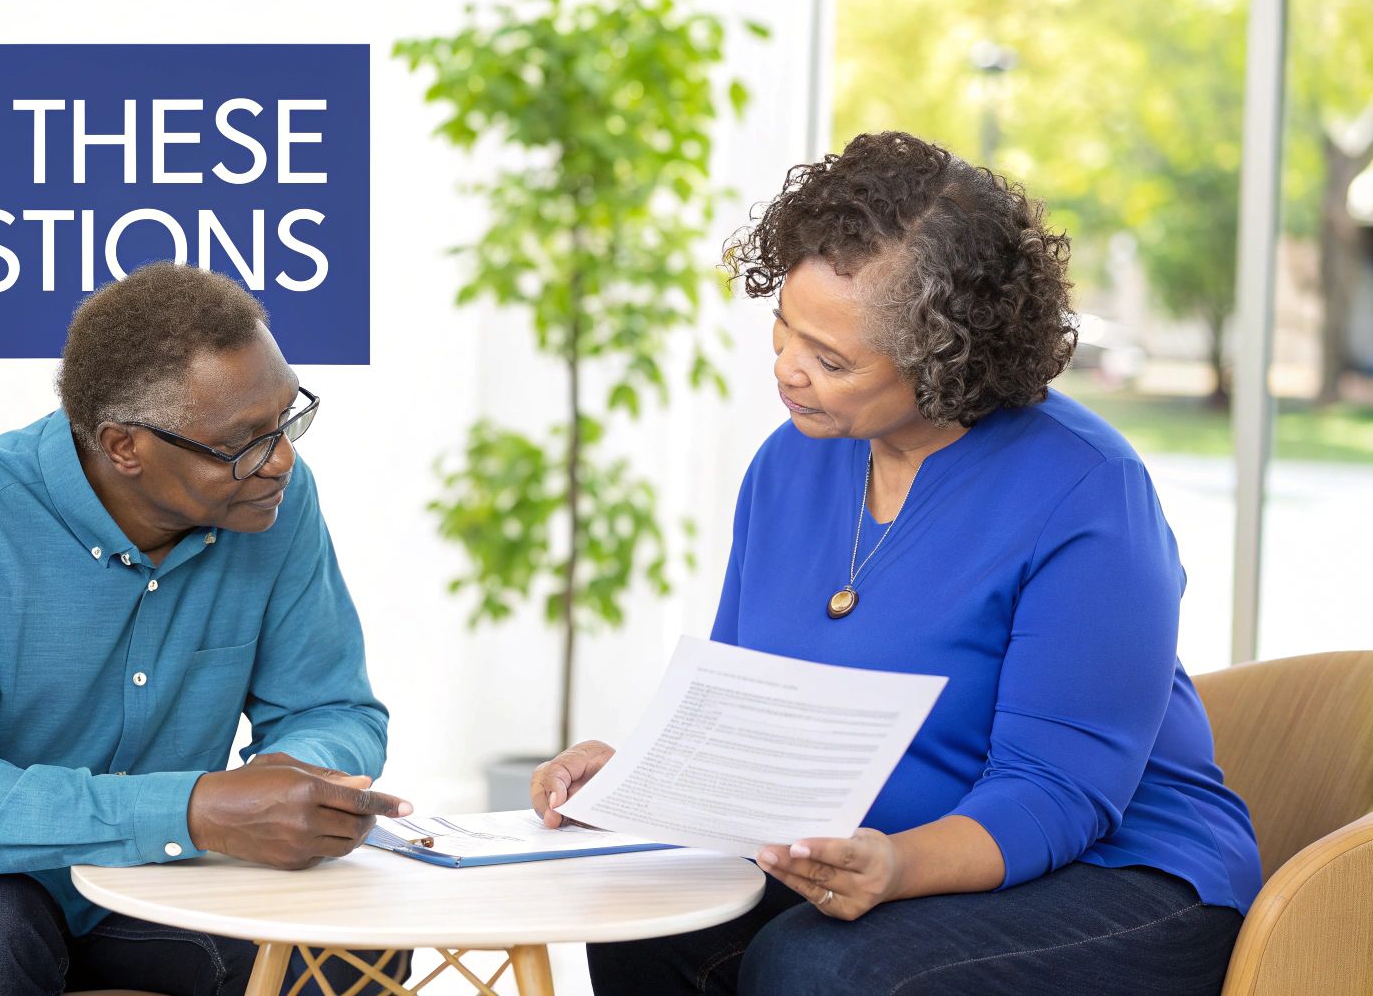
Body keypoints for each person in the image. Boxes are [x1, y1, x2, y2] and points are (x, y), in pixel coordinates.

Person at [529, 131, 1260, 996]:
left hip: (1121, 876)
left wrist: (899, 866)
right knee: (647, 915)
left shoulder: (1088, 490)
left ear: (949, 361)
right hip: (870, 858)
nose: (787, 371)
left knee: (821, 967)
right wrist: (645, 780)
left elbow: (1058, 795)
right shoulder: (790, 463)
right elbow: (749, 708)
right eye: (784, 328)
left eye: (831, 360)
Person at [0, 261, 412, 996]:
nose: (282, 458)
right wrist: (197, 808)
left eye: (288, 418)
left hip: (140, 878)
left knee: (352, 948)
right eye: (246, 440)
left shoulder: (272, 502)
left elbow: (330, 707)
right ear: (125, 446)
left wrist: (294, 779)